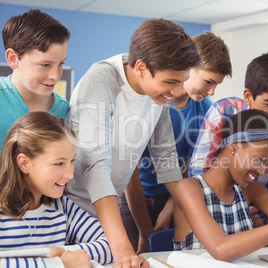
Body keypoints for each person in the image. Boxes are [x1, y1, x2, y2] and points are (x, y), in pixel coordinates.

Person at [64, 18, 200, 267]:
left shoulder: (158, 96)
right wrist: (123, 249)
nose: (178, 92)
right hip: (73, 208)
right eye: (171, 82)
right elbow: (95, 167)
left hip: (108, 204)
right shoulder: (102, 80)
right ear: (140, 68)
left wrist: (199, 218)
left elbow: (167, 160)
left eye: (182, 81)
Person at [121, 31, 232, 252]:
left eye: (216, 85)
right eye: (208, 81)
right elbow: (128, 171)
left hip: (173, 195)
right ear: (189, 67)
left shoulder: (206, 109)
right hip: (133, 197)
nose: (211, 91)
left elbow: (190, 166)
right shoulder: (152, 101)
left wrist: (171, 208)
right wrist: (144, 230)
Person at [174, 109, 268, 261]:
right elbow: (221, 250)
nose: (261, 171)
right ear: (234, 146)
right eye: (260, 160)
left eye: (267, 164)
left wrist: (250, 240)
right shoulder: (189, 189)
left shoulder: (250, 190)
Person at [189, 52, 268, 212]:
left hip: (259, 216)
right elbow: (198, 170)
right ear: (248, 96)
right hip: (211, 207)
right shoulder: (223, 111)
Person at [0, 112, 112, 267]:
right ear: (24, 163)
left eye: (71, 160)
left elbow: (111, 244)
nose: (70, 174)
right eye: (59, 163)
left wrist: (60, 252)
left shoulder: (62, 207)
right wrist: (58, 263)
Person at [0, 9, 70, 151]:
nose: (55, 76)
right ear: (13, 59)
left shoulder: (63, 109)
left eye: (61, 64)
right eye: (45, 65)